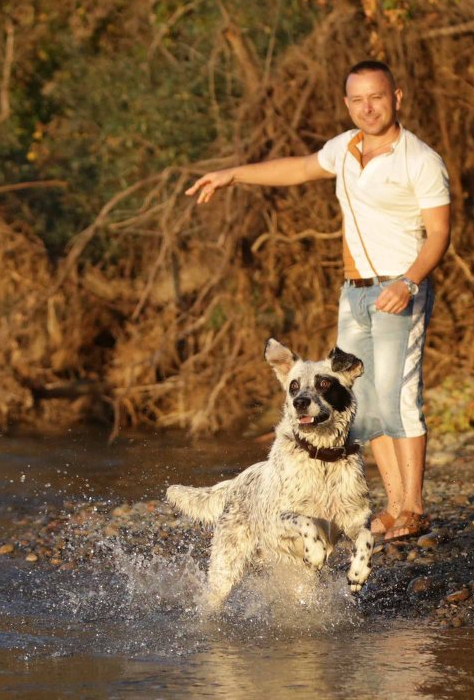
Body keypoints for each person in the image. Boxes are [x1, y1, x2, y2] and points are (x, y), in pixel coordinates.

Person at [186, 60, 451, 542]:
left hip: (400, 289)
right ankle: (392, 507)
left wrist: (409, 282)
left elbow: (440, 234)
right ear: (347, 103)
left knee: (399, 398)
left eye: (376, 97)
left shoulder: (420, 159)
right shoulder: (345, 149)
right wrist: (233, 175)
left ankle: (413, 507)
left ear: (397, 97)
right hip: (354, 291)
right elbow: (299, 168)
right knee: (363, 402)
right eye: (357, 100)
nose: (367, 108)